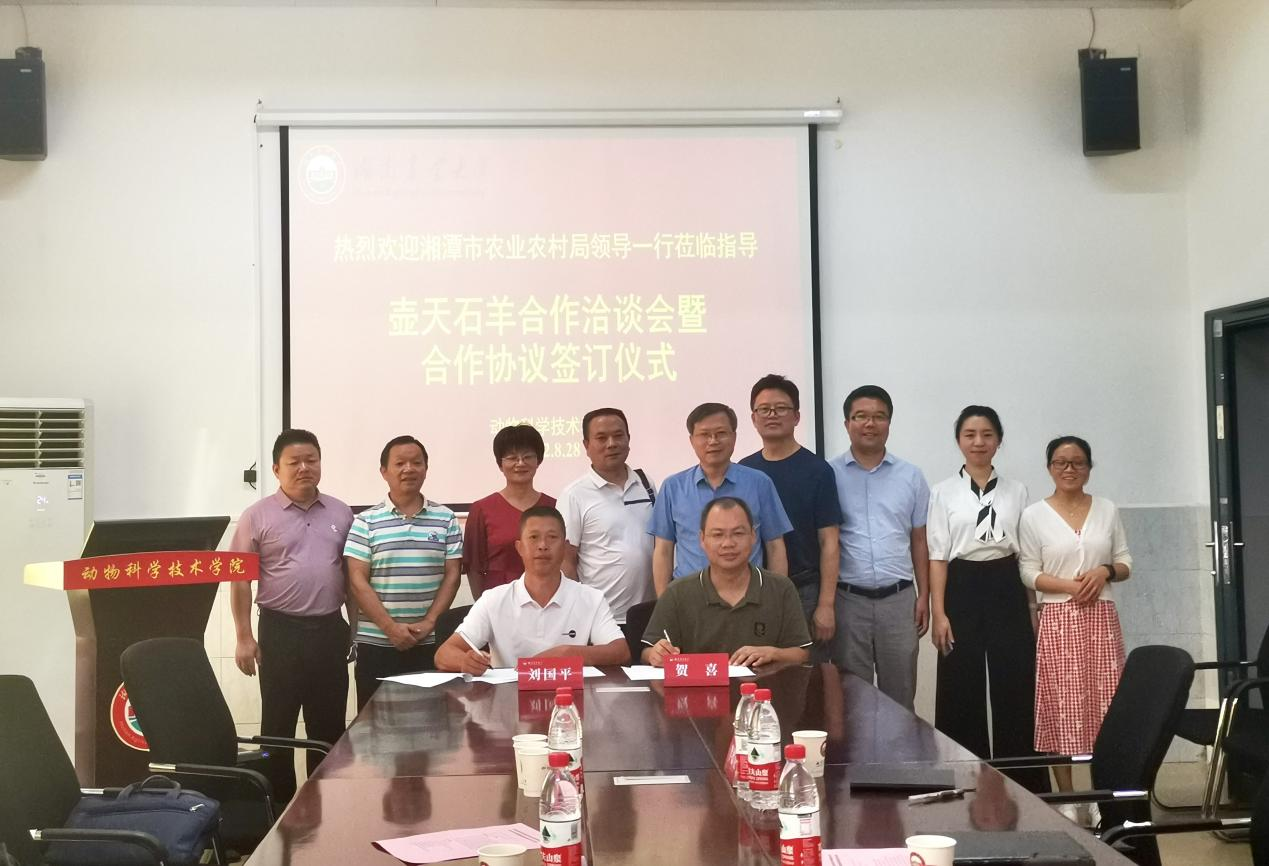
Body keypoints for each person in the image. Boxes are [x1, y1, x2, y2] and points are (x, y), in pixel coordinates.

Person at [228, 429, 354, 803]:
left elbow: (352, 577)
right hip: (279, 632)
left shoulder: (341, 512)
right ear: (276, 469)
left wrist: (355, 629)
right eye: (294, 462)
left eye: (311, 460)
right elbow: (239, 580)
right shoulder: (256, 516)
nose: (304, 468)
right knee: (277, 728)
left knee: (329, 728)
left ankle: (327, 807)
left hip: (329, 630)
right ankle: (279, 811)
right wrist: (244, 636)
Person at [927, 406, 1047, 792]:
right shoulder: (942, 492)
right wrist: (939, 611)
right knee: (960, 685)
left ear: (998, 440)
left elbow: (1026, 554)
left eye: (987, 434)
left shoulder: (1017, 491)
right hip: (961, 584)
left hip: (1006, 583)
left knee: (1016, 682)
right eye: (970, 435)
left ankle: (1025, 784)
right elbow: (937, 556)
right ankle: (965, 782)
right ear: (958, 440)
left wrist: (1032, 607)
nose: (978, 442)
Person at [1019, 435, 1132, 820]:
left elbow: (1126, 562)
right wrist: (1068, 586)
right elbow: (1028, 571)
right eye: (1061, 462)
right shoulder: (1034, 515)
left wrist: (1104, 572)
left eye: (1078, 462)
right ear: (1049, 467)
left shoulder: (1107, 509)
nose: (1069, 469)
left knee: (1106, 706)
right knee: (1060, 708)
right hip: (1058, 619)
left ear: (1089, 467)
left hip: (1101, 618)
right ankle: (1067, 798)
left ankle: (1101, 795)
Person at [828, 385, 930, 711]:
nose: (870, 424)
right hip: (848, 601)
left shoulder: (911, 476)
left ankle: (899, 749)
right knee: (852, 700)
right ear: (847, 423)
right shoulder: (828, 475)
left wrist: (924, 596)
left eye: (879, 416)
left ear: (889, 423)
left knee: (900, 698)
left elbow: (919, 539)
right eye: (861, 416)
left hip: (899, 601)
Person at [435, 506, 630, 673]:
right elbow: (443, 654)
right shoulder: (493, 600)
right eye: (534, 537)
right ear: (519, 548)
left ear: (565, 547)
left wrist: (568, 653)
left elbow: (620, 651)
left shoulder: (590, 598)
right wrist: (466, 662)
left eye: (552, 537)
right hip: (508, 700)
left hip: (569, 697)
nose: (543, 546)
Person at [344, 435, 462, 709]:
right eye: (400, 463)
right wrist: (390, 628)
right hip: (377, 643)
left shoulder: (446, 518)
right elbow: (357, 581)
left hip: (430, 643)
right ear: (384, 471)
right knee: (374, 724)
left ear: (426, 469)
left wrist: (430, 622)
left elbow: (453, 575)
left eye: (416, 462)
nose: (409, 469)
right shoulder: (365, 521)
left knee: (431, 721)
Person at [740, 374, 842, 662]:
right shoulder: (744, 471)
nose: (772, 415)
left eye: (781, 408)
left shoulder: (818, 470)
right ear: (753, 418)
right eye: (764, 409)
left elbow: (830, 542)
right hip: (752, 591)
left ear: (797, 416)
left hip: (804, 591)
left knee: (807, 672)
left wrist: (826, 604)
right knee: (755, 668)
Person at [641, 497, 811, 668]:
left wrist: (774, 653)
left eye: (738, 533)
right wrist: (656, 654)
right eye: (718, 535)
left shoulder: (781, 588)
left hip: (763, 685)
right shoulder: (677, 592)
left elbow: (802, 654)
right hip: (698, 685)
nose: (728, 543)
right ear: (702, 539)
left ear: (753, 536)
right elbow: (647, 652)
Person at [650, 402, 792, 596]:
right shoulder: (673, 487)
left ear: (734, 437)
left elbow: (775, 546)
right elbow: (663, 551)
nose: (713, 441)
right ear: (692, 440)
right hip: (689, 599)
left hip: (749, 598)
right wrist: (664, 603)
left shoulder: (760, 483)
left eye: (721, 433)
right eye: (704, 435)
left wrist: (775, 599)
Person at [556, 408, 656, 624]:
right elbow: (566, 561)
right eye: (601, 438)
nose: (611, 444)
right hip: (601, 617)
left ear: (628, 439)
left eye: (618, 435)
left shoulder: (646, 483)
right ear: (586, 445)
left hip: (650, 612)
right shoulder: (574, 494)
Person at [463, 424, 556, 599]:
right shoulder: (481, 509)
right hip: (498, 599)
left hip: (547, 597)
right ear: (500, 464)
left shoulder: (555, 506)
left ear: (538, 461)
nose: (520, 463)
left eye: (527, 456)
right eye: (512, 457)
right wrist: (483, 606)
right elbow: (474, 568)